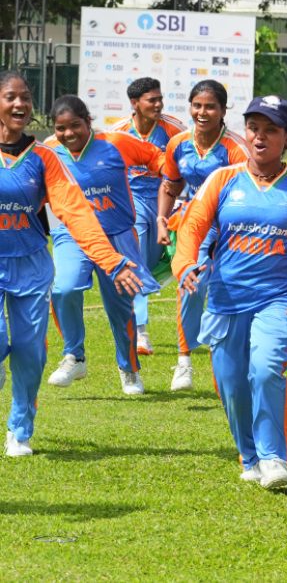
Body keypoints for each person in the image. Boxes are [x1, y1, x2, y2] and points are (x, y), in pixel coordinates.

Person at [174, 96, 287, 490]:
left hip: (279, 299)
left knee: (265, 368)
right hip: (226, 300)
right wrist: (185, 264)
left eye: (271, 129)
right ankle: (250, 454)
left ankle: (274, 458)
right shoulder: (223, 180)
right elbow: (192, 228)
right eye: (254, 127)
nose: (260, 136)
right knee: (231, 384)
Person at [0, 71, 142, 456]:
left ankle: (20, 430)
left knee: (31, 353)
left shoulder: (44, 158)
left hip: (30, 267)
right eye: (11, 97)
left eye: (25, 98)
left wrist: (112, 261)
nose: (20, 105)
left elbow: (76, 213)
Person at [44, 95, 164, 395]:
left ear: (88, 122)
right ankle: (75, 356)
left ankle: (129, 369)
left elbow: (158, 159)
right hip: (71, 236)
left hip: (117, 237)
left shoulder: (116, 142)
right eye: (61, 128)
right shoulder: (48, 152)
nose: (69, 133)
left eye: (75, 125)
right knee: (63, 288)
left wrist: (172, 187)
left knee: (121, 307)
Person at [157, 80, 248, 392]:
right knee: (190, 284)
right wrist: (160, 219)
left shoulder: (235, 149)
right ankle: (184, 361)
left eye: (210, 106)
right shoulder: (178, 144)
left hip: (226, 227)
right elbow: (170, 185)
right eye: (197, 105)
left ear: (223, 110)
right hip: (191, 224)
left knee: (227, 293)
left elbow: (247, 192)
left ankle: (231, 364)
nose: (203, 112)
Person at [107, 77, 185, 355]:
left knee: (152, 262)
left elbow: (186, 162)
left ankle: (132, 312)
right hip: (132, 202)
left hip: (166, 202)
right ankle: (140, 332)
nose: (158, 104)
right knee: (137, 261)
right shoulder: (118, 132)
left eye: (160, 99)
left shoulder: (174, 129)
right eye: (152, 100)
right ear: (134, 103)